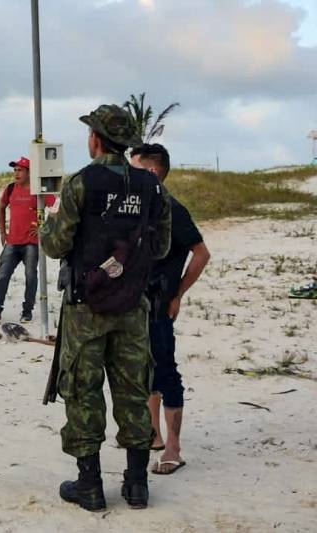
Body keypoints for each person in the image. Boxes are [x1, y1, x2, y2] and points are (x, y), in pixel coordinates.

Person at [40, 104, 171, 511]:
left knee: (83, 391)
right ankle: (137, 485)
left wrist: (47, 226)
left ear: (95, 139)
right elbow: (161, 247)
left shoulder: (81, 183)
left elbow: (55, 245)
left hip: (87, 307)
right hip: (133, 305)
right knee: (133, 391)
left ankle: (91, 486)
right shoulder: (152, 187)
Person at [130, 143, 210, 476]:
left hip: (160, 303)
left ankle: (173, 449)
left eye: (134, 168)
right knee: (144, 369)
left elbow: (202, 253)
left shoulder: (172, 209)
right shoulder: (137, 206)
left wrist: (178, 293)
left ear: (151, 172)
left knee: (165, 370)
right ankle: (154, 435)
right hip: (135, 303)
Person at [0, 156, 52, 324]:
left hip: (31, 242)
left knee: (30, 276)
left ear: (29, 172)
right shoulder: (11, 188)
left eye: (20, 170)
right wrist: (2, 232)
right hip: (12, 241)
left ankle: (27, 311)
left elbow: (55, 207)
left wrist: (44, 228)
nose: (16, 173)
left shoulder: (39, 189)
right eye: (15, 170)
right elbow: (1, 208)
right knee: (2, 275)